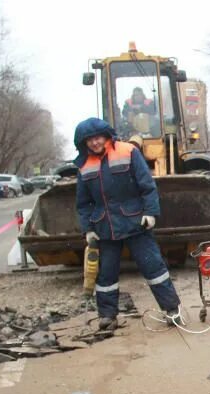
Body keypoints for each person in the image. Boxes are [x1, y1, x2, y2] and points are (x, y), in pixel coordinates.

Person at [74, 117, 183, 330]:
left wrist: (150, 213)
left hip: (135, 223)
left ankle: (172, 310)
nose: (94, 143)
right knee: (106, 274)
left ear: (105, 135)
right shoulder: (84, 166)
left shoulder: (128, 152)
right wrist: (88, 229)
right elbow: (83, 203)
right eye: (89, 140)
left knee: (154, 267)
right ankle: (107, 316)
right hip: (105, 228)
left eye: (97, 137)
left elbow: (147, 186)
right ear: (83, 143)